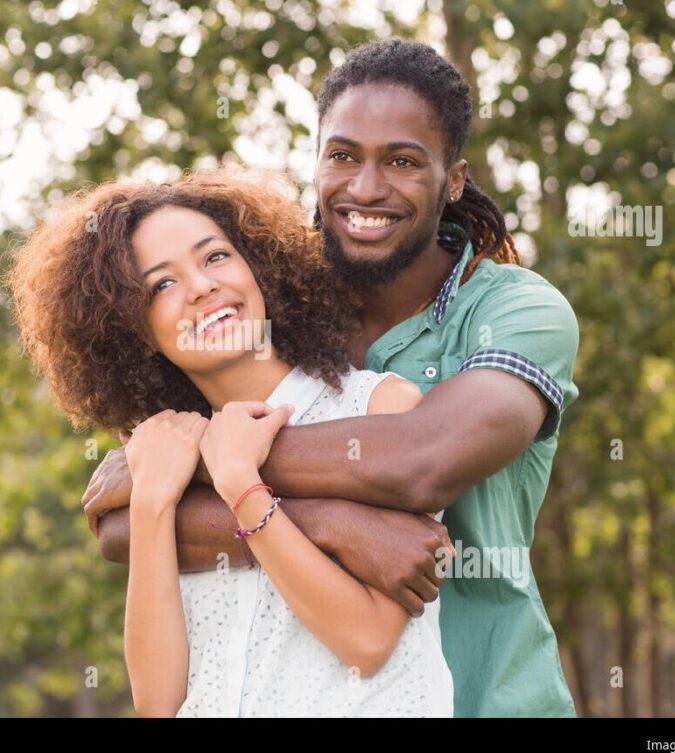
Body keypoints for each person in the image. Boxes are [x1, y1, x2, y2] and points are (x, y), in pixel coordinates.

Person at [87, 38, 580, 717]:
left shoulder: (516, 310)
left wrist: (196, 461)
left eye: (403, 161)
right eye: (342, 155)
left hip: (492, 696)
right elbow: (123, 533)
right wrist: (332, 524)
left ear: (454, 178)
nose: (366, 187)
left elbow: (421, 460)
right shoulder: (270, 301)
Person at [8, 169, 454, 716]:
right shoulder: (163, 457)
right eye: (162, 284)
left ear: (258, 268)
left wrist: (242, 484)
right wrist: (152, 500)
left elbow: (365, 644)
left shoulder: (379, 409)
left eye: (215, 257)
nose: (200, 287)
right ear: (138, 331)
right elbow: (159, 702)